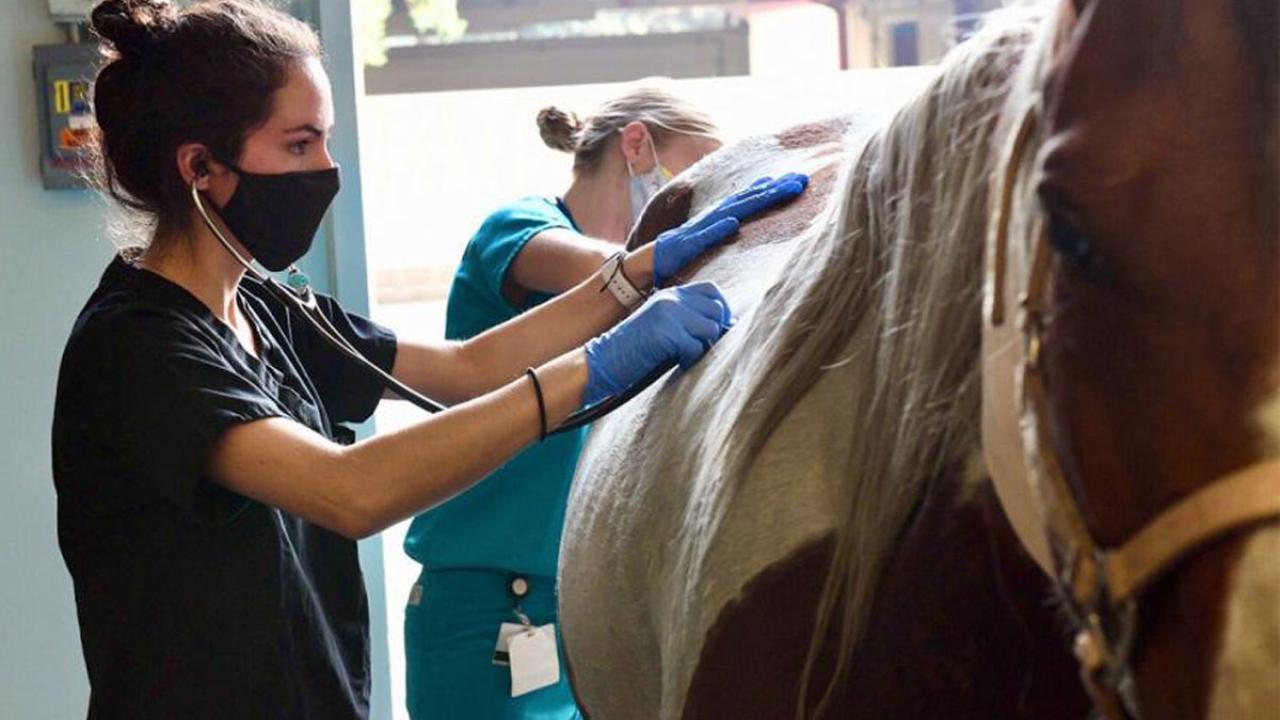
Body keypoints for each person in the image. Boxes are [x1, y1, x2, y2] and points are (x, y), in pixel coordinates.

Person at [50, 1, 807, 718]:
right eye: (299, 144)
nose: (326, 169)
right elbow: (351, 490)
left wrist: (636, 273)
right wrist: (592, 370)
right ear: (200, 167)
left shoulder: (264, 305)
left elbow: (464, 369)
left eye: (327, 139)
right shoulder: (140, 346)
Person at [403, 88, 724, 719]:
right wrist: (687, 259)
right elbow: (604, 271)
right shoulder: (520, 226)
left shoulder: (659, 306)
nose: (700, 209)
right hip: (482, 604)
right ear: (637, 146)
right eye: (695, 178)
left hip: (575, 610)